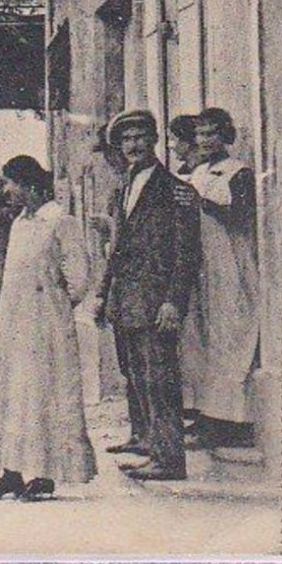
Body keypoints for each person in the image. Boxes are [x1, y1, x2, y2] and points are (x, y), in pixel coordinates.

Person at [0, 156, 96, 502]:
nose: (6, 191)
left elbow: (79, 277)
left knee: (44, 393)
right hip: (14, 323)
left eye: (10, 183)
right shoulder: (19, 224)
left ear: (28, 185)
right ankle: (10, 472)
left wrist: (54, 305)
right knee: (13, 392)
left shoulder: (60, 221)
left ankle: (44, 474)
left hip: (46, 324)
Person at [93, 109, 201, 483]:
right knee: (135, 375)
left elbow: (188, 254)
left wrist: (174, 300)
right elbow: (117, 249)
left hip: (157, 303)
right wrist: (102, 294)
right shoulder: (123, 187)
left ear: (154, 140)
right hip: (125, 301)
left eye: (140, 137)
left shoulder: (177, 190)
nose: (133, 145)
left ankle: (170, 460)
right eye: (126, 140)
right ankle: (145, 442)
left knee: (160, 379)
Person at [188, 107, 260, 450]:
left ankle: (235, 420)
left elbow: (241, 215)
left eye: (211, 134)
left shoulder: (238, 172)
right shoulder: (197, 172)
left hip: (230, 264)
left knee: (230, 338)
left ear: (225, 136)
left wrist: (204, 204)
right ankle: (209, 417)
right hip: (204, 266)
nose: (204, 141)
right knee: (203, 340)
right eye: (200, 134)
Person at [168, 113, 210, 433]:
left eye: (176, 140)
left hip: (210, 263)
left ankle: (207, 411)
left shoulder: (203, 176)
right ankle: (197, 408)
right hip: (192, 265)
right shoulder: (188, 175)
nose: (173, 147)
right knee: (193, 338)